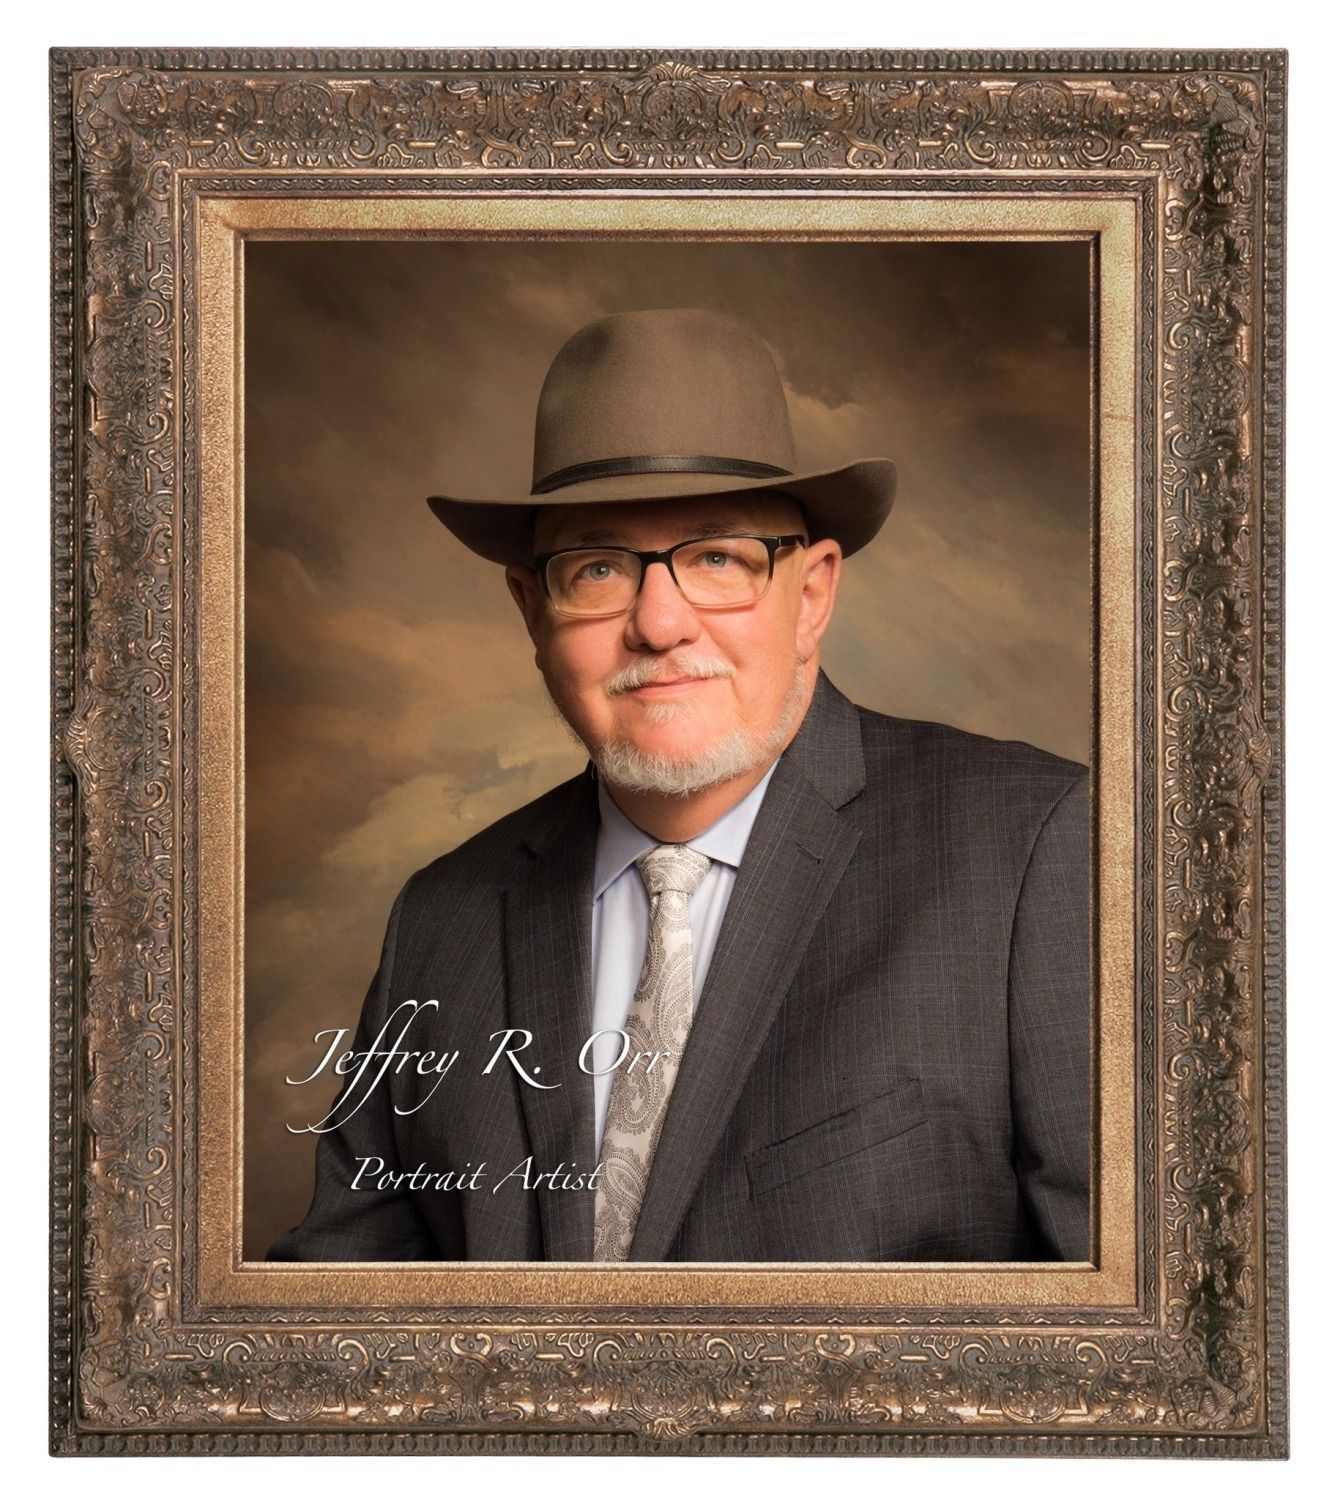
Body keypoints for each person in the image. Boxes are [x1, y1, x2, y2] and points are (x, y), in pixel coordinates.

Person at [269, 307, 1090, 1264]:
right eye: (599, 567)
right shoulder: (439, 920)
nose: (658, 624)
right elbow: (335, 1318)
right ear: (533, 610)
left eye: (716, 558)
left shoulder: (1031, 848)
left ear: (813, 593)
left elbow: (1137, 1343)